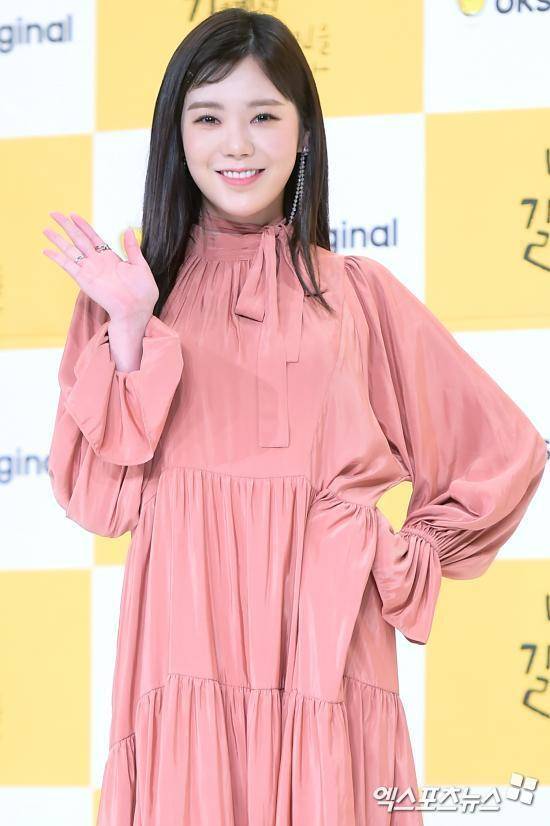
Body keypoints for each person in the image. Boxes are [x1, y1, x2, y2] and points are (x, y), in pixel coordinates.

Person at [44, 8, 547, 826]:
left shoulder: (357, 296)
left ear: (304, 132)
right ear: (176, 135)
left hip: (326, 651)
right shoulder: (129, 292)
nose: (236, 145)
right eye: (208, 118)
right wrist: (131, 327)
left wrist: (402, 555)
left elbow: (503, 451)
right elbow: (100, 502)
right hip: (184, 641)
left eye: (264, 116)